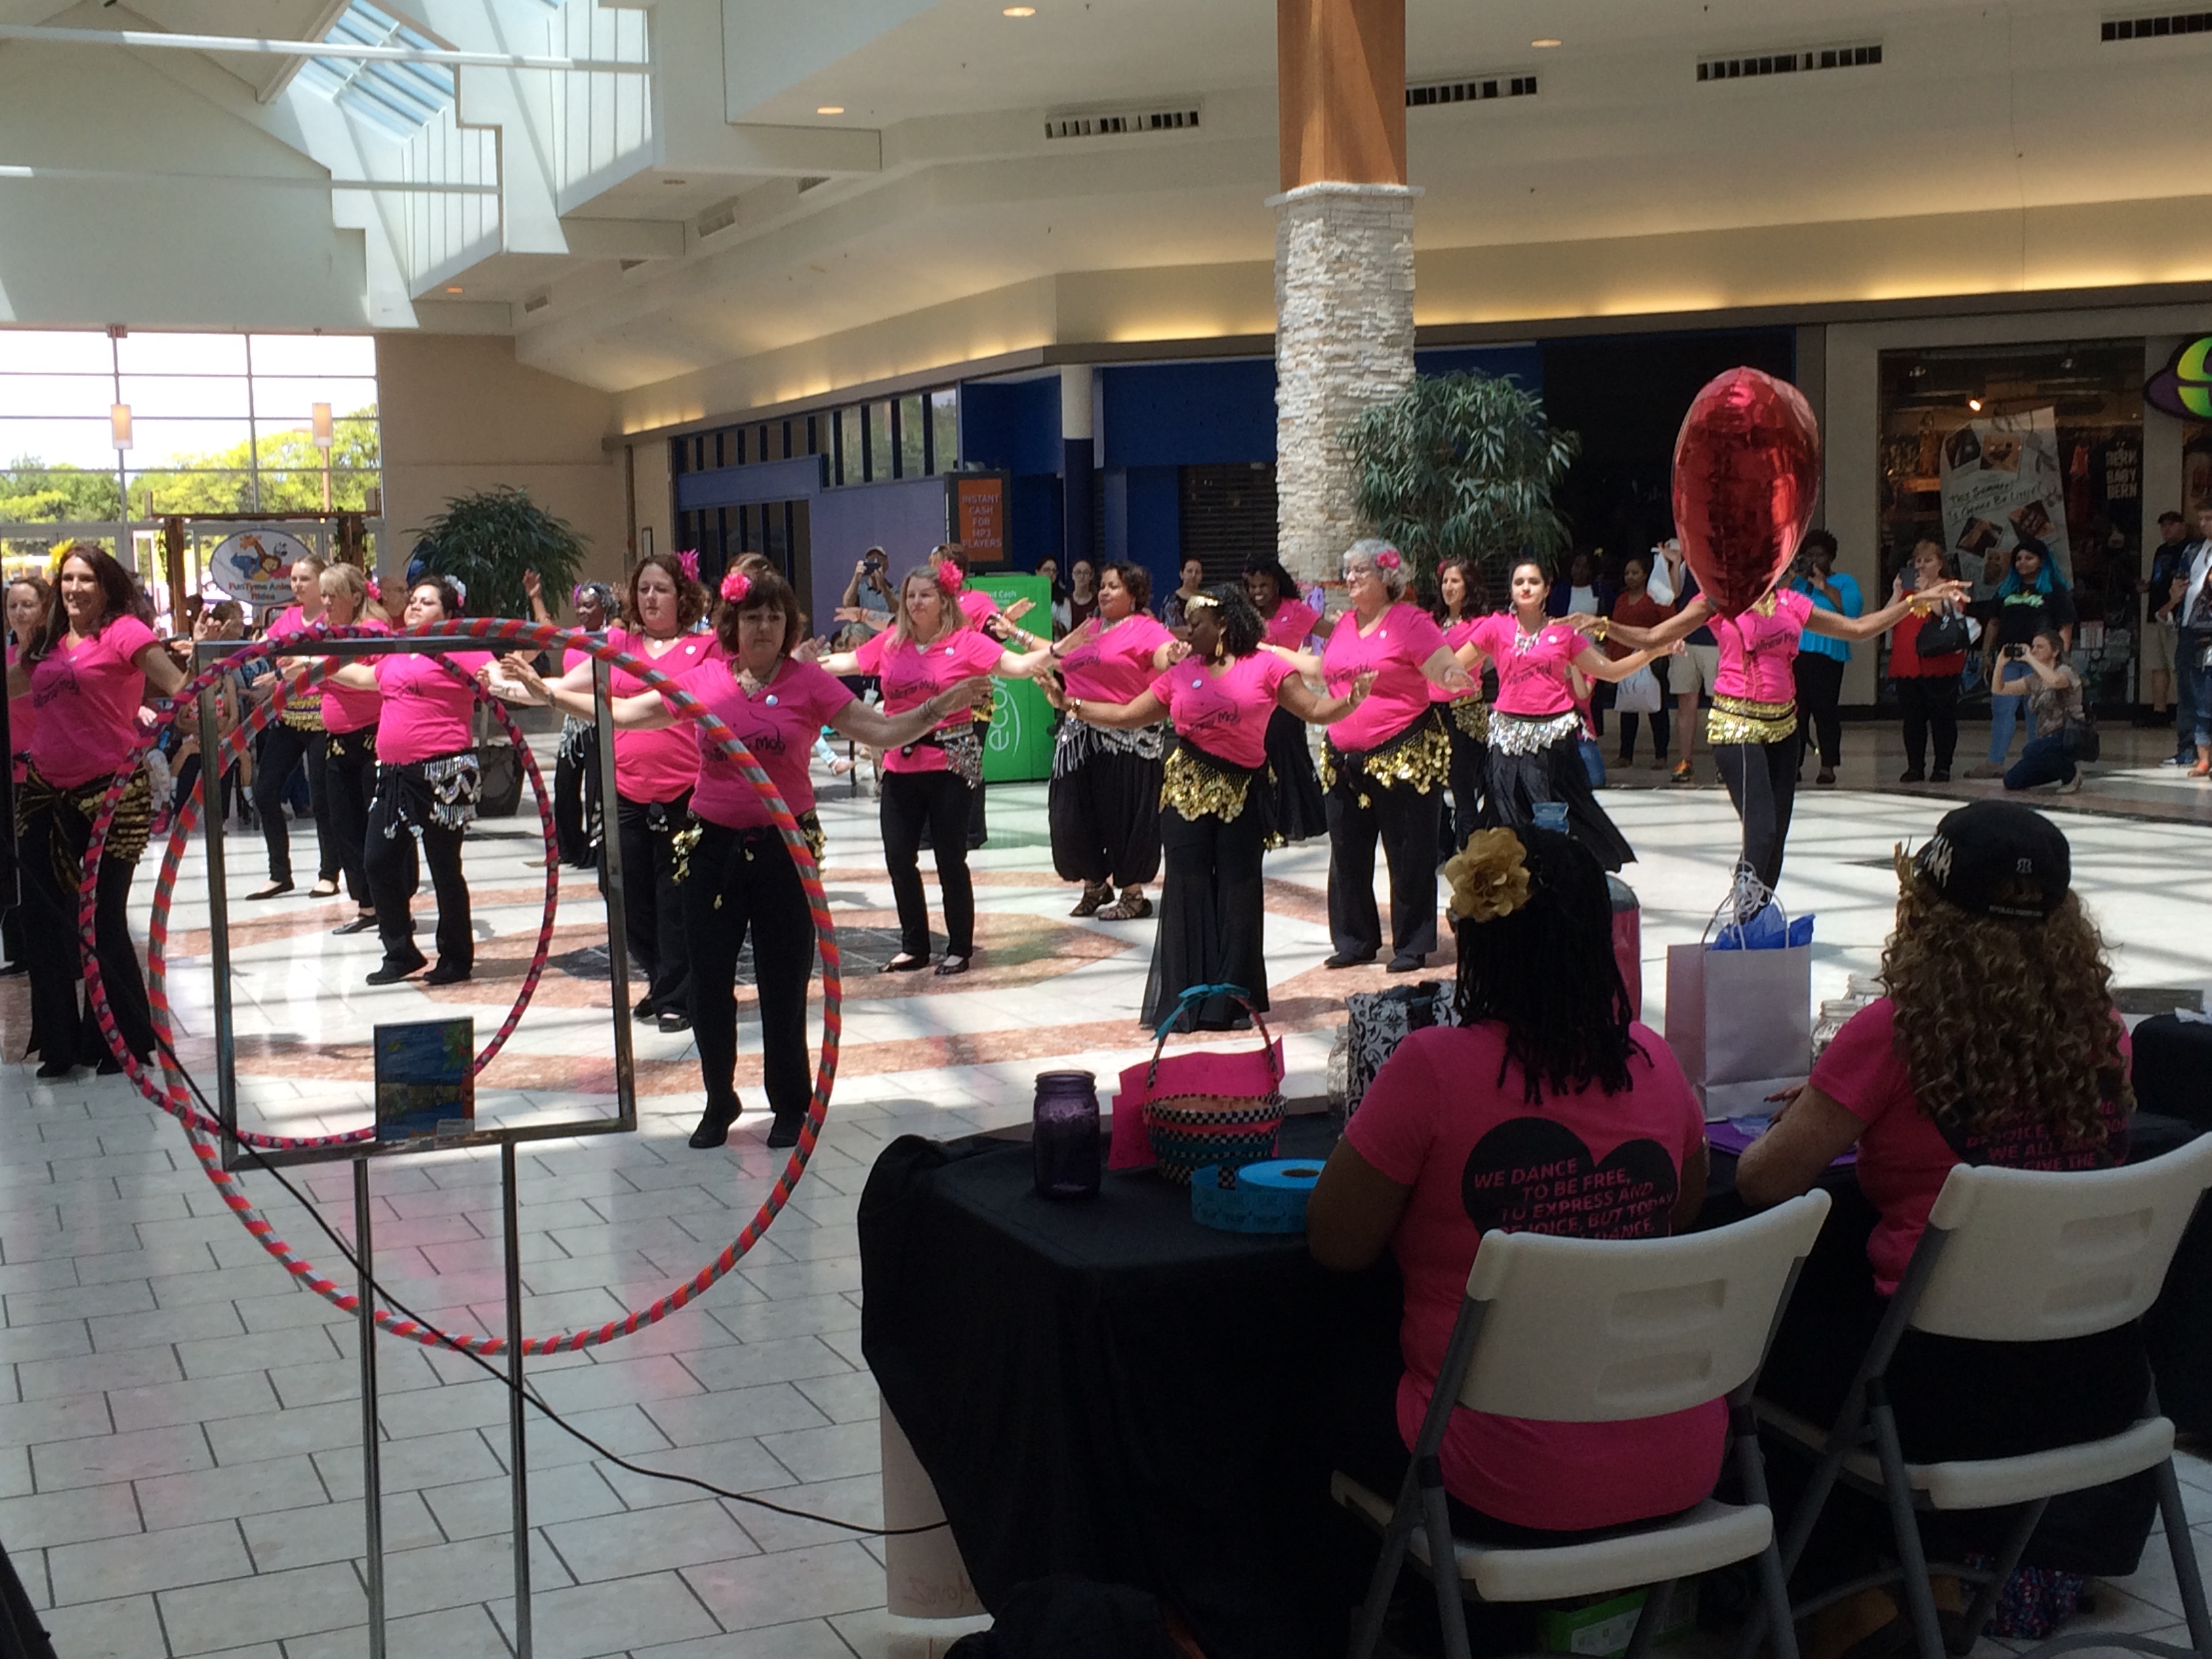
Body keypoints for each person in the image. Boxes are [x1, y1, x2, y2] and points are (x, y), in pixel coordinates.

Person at [1736, 802, 2144, 1556]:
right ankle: (1941, 1573)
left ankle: (1836, 1588)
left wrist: (1834, 1104)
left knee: (1752, 1334)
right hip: (2095, 1372)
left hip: (1941, 1392)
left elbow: (1763, 1183)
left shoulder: (1898, 1031)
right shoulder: (2105, 1030)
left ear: (1927, 908)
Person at [1307, 825, 1718, 1546]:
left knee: (1301, 1378)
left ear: (1479, 945)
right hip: (1681, 1460)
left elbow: (1336, 1245)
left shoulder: (1433, 1069)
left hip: (1501, 1482)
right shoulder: (1654, 1063)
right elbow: (1680, 1210)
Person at [504, 569, 991, 1149]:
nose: (763, 627)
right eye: (752, 617)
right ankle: (720, 1100)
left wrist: (939, 707)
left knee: (783, 983)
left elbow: (882, 730)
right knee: (708, 983)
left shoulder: (809, 683)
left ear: (788, 627)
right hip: (711, 846)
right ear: (732, 624)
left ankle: (789, 1102)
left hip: (786, 849)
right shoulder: (705, 679)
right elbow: (630, 712)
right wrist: (549, 695)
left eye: (774, 617)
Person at [1048, 584, 1372, 1032]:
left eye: (1196, 624)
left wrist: (1351, 701)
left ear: (1222, 625)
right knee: (1188, 889)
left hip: (1244, 794)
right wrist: (1071, 704)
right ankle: (1188, 999)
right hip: (1185, 793)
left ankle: (1230, 1002)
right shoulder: (1181, 673)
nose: (1186, 631)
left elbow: (1315, 710)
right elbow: (1127, 714)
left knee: (1238, 892)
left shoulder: (1267, 667)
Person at [1604, 570, 1961, 906]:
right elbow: (1653, 637)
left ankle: (1757, 918)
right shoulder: (1719, 601)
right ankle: (1743, 914)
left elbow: (1857, 629)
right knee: (1761, 831)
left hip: (1785, 728)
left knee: (1776, 839)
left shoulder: (1791, 602)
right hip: (1737, 725)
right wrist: (1604, 626)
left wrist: (1913, 601)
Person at [807, 562, 1057, 975]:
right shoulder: (892, 643)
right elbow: (846, 662)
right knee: (898, 857)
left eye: (925, 594)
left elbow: (1015, 666)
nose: (916, 602)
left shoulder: (966, 642)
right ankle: (914, 946)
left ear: (944, 600)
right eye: (910, 595)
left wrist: (1058, 652)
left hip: (950, 764)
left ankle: (959, 947)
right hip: (899, 765)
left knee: (950, 859)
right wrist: (799, 663)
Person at [506, 555, 718, 1029]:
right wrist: (512, 687)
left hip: (685, 792)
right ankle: (664, 979)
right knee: (620, 889)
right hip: (625, 791)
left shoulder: (704, 649)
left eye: (661, 589)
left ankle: (675, 995)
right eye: (643, 589)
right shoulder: (619, 646)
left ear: (682, 596)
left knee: (675, 898)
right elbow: (563, 686)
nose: (651, 598)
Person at [5, 544, 186, 1076]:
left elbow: (178, 687)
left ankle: (118, 1040)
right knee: (41, 919)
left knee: (102, 918)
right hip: (44, 793)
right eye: (67, 579)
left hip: (111, 794)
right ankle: (59, 1045)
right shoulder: (49, 642)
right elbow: (16, 684)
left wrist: (201, 693)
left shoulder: (124, 632)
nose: (74, 588)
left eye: (86, 579)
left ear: (106, 586)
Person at [1292, 540, 1475, 973]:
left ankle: (1411, 943)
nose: (1350, 578)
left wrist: (1453, 676)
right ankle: (1354, 940)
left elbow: (1441, 665)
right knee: (1346, 853)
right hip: (1343, 758)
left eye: (1360, 571)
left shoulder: (1411, 622)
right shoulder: (1344, 625)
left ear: (1386, 577)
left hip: (1403, 754)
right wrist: (1268, 654)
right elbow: (1323, 670)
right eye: (1348, 571)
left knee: (1409, 852)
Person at [323, 577, 493, 987]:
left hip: (444, 771)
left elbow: (494, 678)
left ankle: (456, 957)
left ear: (449, 613)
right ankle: (400, 951)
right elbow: (366, 679)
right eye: (413, 600)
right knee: (377, 861)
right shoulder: (400, 649)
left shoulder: (459, 647)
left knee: (444, 866)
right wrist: (318, 666)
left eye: (426, 602)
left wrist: (528, 684)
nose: (415, 606)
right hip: (395, 774)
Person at [1462, 560, 1676, 874]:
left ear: (1547, 589)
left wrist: (1654, 651)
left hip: (1555, 742)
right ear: (1510, 589)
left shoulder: (1564, 634)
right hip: (1507, 742)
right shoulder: (1496, 628)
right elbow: (1453, 667)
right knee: (1508, 822)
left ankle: (1562, 881)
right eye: (1519, 582)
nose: (1526, 588)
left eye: (1533, 582)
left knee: (1560, 818)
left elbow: (1610, 672)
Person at [1042, 560, 1174, 920]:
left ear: (1134, 594)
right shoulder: (1091, 627)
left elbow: (1166, 656)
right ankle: (1096, 885)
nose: (1103, 592)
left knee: (1122, 816)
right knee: (1070, 817)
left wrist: (1174, 657)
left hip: (1126, 738)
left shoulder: (1146, 629)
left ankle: (1133, 895)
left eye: (1113, 586)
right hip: (1078, 737)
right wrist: (1015, 634)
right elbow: (1059, 655)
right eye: (1102, 585)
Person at [245, 554, 337, 900]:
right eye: (294, 579)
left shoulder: (332, 619)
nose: (296, 585)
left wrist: (283, 672)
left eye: (304, 579)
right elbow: (259, 650)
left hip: (324, 714)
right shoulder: (287, 618)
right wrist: (208, 649)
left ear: (321, 581)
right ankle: (279, 873)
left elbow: (329, 662)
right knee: (265, 791)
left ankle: (329, 873)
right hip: (288, 714)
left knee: (323, 799)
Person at [308, 564, 387, 935]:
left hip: (374, 738)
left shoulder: (374, 631)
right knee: (345, 824)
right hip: (338, 741)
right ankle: (367, 905)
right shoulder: (328, 633)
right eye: (323, 595)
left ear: (356, 597)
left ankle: (392, 905)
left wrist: (318, 669)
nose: (325, 603)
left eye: (333, 595)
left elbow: (372, 680)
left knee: (380, 828)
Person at [1967, 539, 2076, 778]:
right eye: (2018, 559)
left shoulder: (2055, 590)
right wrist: (1987, 654)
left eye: (2029, 558)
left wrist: (2060, 659)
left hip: (2039, 662)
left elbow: (2065, 627)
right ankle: (1995, 762)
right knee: (2001, 709)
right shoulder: (2006, 589)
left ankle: (2037, 760)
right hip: (2008, 659)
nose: (2022, 563)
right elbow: (1993, 623)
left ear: (2041, 561)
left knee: (2037, 711)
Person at [1242, 553, 1330, 843]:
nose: (1258, 592)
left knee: (1288, 755)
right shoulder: (1244, 612)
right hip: (1251, 696)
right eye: (1253, 586)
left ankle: (1291, 822)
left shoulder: (1295, 610)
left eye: (1263, 586)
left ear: (1276, 585)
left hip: (1286, 694)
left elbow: (1332, 632)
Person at [537, 578, 613, 869]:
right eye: (579, 606)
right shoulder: (574, 636)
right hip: (573, 724)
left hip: (599, 719)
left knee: (596, 788)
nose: (582, 611)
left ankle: (597, 848)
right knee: (565, 785)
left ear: (604, 606)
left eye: (589, 605)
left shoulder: (614, 637)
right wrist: (536, 596)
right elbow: (545, 631)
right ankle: (569, 846)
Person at [3, 573, 54, 981]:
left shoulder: (52, 659)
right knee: (11, 866)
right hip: (10, 778)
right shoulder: (7, 659)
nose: (19, 613)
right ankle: (19, 950)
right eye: (13, 606)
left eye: (28, 605)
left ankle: (51, 949)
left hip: (47, 775)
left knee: (44, 866)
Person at [1889, 540, 1969, 783]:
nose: (1922, 565)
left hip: (1941, 664)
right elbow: (1887, 617)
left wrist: (1926, 593)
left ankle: (1942, 766)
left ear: (1940, 563)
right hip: (1907, 664)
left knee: (1942, 717)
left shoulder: (1951, 587)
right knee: (1912, 720)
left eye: (1928, 560)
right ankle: (1915, 766)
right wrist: (1896, 593)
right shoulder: (1907, 590)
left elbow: (1949, 613)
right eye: (1918, 561)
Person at [1788, 530, 1862, 786]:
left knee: (1825, 712)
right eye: (1809, 555)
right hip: (1794, 655)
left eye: (1819, 555)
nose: (1814, 560)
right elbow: (1772, 603)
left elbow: (1851, 611)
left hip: (1827, 656)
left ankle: (1828, 765)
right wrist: (1791, 576)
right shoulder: (1796, 583)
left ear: (1831, 557)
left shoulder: (1843, 581)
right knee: (1795, 713)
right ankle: (1793, 764)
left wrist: (1824, 586)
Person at [1431, 555, 1491, 842]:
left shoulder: (1481, 624)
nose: (1449, 587)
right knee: (1430, 784)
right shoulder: (1432, 621)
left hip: (1463, 711)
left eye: (1455, 581)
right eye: (1445, 581)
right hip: (1430, 711)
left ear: (1469, 585)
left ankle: (1468, 847)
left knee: (1462, 785)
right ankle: (1440, 845)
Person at [1996, 628, 2089, 794]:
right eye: (2033, 646)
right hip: (2046, 740)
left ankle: (2071, 773)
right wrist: (2000, 664)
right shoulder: (2035, 679)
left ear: (2055, 651)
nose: (2033, 651)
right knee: (2012, 780)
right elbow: (2000, 689)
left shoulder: (2066, 671)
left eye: (2040, 647)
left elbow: (2055, 681)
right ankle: (2057, 768)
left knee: (2032, 750)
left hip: (2070, 735)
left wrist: (2029, 659)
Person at [1657, 537, 1719, 784]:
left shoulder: (1724, 560)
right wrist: (1675, 563)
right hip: (1686, 640)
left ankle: (1723, 764)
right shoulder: (1688, 558)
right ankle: (1685, 761)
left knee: (1721, 705)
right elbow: (1675, 593)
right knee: (1686, 702)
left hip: (1716, 640)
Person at [1605, 554, 1671, 770]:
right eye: (1627, 573)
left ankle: (1661, 755)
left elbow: (1668, 623)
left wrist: (1664, 651)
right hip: (1626, 659)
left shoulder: (1655, 597)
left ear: (1645, 575)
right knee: (1628, 707)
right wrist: (1611, 657)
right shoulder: (1621, 600)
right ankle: (1625, 755)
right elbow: (1614, 628)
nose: (1630, 577)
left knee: (1657, 709)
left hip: (1652, 658)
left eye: (1635, 573)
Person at [2160, 506, 2212, 779]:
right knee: (2188, 691)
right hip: (2189, 628)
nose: (2204, 524)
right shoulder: (2193, 551)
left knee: (2206, 692)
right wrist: (2173, 598)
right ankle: (2191, 750)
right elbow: (2179, 584)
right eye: (2201, 518)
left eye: (2209, 518)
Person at [2139, 511, 2188, 730]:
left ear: (2182, 526)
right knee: (2157, 665)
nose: (2166, 530)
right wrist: (2148, 587)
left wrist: (2170, 606)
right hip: (2156, 613)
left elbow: (2185, 584)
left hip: (2176, 616)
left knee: (2178, 665)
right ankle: (2159, 711)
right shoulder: (2161, 550)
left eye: (2171, 525)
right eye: (2163, 526)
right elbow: (2161, 578)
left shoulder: (2189, 550)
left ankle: (2186, 710)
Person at [835, 548, 896, 640]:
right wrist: (856, 578)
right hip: (864, 640)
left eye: (879, 560)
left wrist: (884, 587)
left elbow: (897, 610)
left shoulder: (895, 590)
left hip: (887, 639)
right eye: (871, 560)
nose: (875, 562)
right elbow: (847, 605)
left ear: (887, 564)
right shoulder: (860, 589)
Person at [1544, 549, 1614, 620]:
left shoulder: (1601, 590)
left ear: (1590, 570)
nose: (1580, 570)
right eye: (1577, 565)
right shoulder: (1560, 591)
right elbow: (1553, 618)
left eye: (1585, 567)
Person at [1162, 556, 1208, 632]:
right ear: (1181, 574)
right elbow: (1168, 629)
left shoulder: (1207, 602)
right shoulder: (1171, 601)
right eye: (1189, 571)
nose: (1193, 576)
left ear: (1201, 576)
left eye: (1197, 572)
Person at [1066, 558, 1101, 632]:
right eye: (1078, 572)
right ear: (1073, 576)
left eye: (1086, 573)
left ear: (1091, 576)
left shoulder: (1098, 602)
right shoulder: (1066, 601)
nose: (1082, 576)